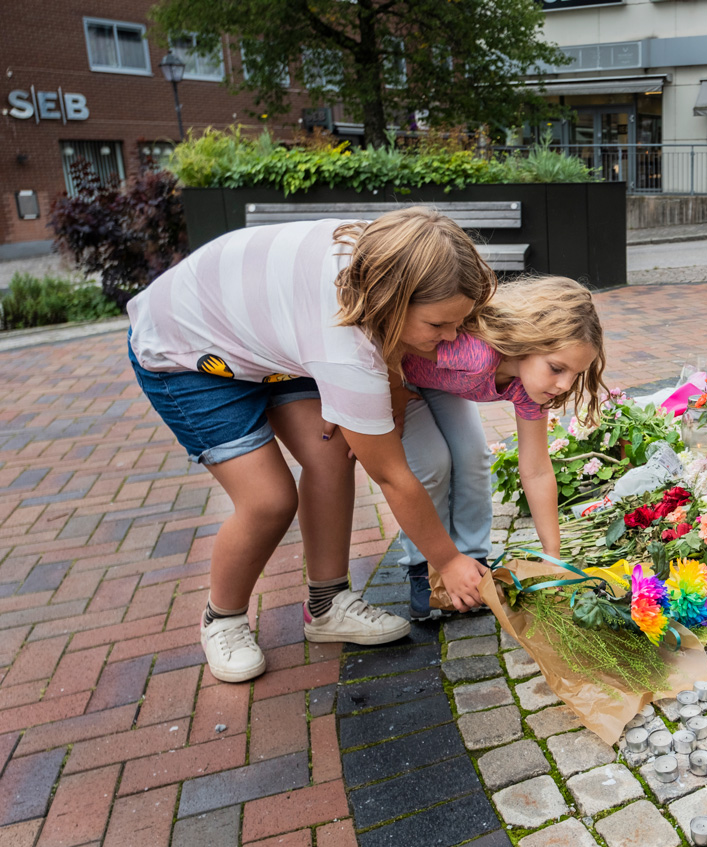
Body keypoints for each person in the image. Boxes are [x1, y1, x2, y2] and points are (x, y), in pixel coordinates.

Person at [126, 208, 496, 682]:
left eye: (458, 323)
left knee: (332, 453)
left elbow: (378, 345)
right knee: (267, 501)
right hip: (188, 354)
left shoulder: (396, 255)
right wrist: (447, 560)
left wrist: (392, 384)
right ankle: (223, 618)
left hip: (272, 339)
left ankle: (326, 604)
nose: (451, 338)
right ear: (391, 302)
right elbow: (390, 474)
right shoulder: (343, 344)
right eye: (438, 325)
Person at [394, 276, 606, 619]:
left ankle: (472, 561)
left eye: (574, 374)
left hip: (442, 382)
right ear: (528, 340)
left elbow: (536, 470)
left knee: (473, 456)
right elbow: (394, 339)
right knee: (431, 463)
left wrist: (553, 557)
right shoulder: (476, 354)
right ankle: (424, 568)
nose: (565, 384)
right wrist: (386, 391)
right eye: (557, 368)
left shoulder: (530, 389)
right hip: (398, 377)